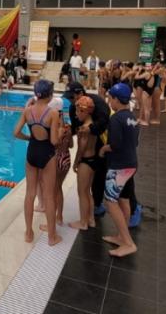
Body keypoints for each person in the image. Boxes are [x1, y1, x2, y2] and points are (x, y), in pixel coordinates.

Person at [12, 80, 62, 246]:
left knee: (30, 193)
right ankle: (52, 237)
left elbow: (16, 132)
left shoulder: (28, 111)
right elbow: (54, 141)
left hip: (32, 152)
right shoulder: (53, 113)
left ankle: (28, 232)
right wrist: (61, 132)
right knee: (48, 196)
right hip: (47, 153)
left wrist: (28, 138)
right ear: (49, 94)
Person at [99, 83, 138, 257]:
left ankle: (128, 243)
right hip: (131, 164)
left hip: (119, 167)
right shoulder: (132, 117)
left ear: (116, 99)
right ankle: (121, 237)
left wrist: (103, 149)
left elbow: (114, 145)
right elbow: (134, 142)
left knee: (110, 202)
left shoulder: (115, 119)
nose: (108, 101)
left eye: (110, 98)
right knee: (124, 200)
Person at [64, 81, 111, 219]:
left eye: (71, 98)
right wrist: (68, 131)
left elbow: (103, 123)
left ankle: (91, 212)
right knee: (87, 189)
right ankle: (91, 216)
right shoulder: (75, 108)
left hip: (96, 149)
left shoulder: (99, 104)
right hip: (90, 151)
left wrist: (76, 162)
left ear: (80, 93)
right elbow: (75, 128)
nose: (70, 102)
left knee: (86, 189)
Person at [69, 95, 101, 231]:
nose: (76, 115)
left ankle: (83, 222)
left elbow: (81, 148)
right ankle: (91, 219)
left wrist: (76, 162)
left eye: (77, 111)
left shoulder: (84, 129)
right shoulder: (93, 125)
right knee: (88, 192)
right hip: (93, 160)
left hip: (85, 162)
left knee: (82, 192)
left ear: (84, 111)